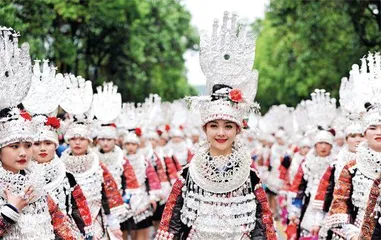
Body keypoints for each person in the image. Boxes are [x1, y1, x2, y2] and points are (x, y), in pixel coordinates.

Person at [155, 12, 276, 239]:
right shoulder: (189, 174)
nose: (221, 133)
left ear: (238, 130)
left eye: (228, 126)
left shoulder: (249, 176)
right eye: (214, 126)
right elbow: (171, 225)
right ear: (205, 129)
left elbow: (263, 227)